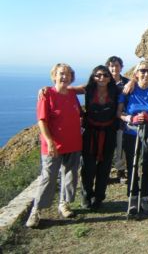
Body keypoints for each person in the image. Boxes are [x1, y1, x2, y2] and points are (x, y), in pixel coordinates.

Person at [26, 63, 82, 228]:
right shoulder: (47, 94)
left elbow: (90, 87)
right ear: (54, 76)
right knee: (48, 178)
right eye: (61, 74)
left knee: (70, 176)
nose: (64, 77)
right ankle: (36, 211)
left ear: (71, 78)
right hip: (53, 146)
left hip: (73, 142)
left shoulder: (72, 94)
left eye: (67, 74)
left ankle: (64, 204)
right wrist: (50, 141)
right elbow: (42, 121)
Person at [117, 61, 148, 214]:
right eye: (142, 71)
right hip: (131, 133)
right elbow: (119, 113)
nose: (145, 73)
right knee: (132, 165)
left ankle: (145, 198)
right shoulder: (128, 90)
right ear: (136, 73)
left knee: (147, 166)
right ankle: (132, 197)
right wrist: (130, 119)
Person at [80, 65, 119, 209]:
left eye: (105, 75)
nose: (101, 78)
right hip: (90, 133)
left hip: (109, 132)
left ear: (110, 78)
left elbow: (135, 84)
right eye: (98, 75)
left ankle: (99, 198)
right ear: (93, 77)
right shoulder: (88, 89)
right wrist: (46, 89)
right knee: (88, 167)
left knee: (105, 167)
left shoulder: (115, 91)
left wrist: (133, 82)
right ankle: (86, 196)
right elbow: (68, 89)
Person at [105, 56, 130, 183]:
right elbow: (87, 88)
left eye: (117, 65)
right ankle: (106, 172)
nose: (114, 68)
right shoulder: (104, 81)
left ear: (121, 67)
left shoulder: (127, 82)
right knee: (107, 146)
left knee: (120, 146)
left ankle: (121, 171)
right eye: (111, 66)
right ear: (108, 67)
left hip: (121, 119)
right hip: (106, 120)